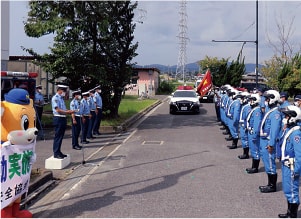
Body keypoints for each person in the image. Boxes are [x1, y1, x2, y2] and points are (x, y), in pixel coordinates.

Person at [277, 105, 301, 218]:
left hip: (292, 166)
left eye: (286, 115)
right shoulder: (289, 129)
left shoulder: (296, 134)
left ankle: (293, 214)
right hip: (286, 165)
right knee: (287, 189)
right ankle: (289, 212)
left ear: (293, 117)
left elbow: (299, 154)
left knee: (292, 191)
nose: (284, 117)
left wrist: (296, 170)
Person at [259, 90, 282, 193]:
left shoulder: (275, 113)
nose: (266, 101)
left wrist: (271, 144)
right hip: (264, 140)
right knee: (267, 163)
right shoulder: (271, 110)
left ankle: (272, 186)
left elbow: (274, 130)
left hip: (269, 141)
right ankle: (269, 184)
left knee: (270, 164)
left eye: (268, 99)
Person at [51, 85, 75, 159]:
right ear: (60, 90)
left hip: (62, 118)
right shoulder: (55, 98)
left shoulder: (61, 98)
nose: (65, 92)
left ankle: (59, 151)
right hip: (58, 118)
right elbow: (58, 110)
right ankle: (56, 152)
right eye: (64, 91)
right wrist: (67, 112)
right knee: (58, 136)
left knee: (61, 136)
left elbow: (63, 109)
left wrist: (68, 111)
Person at [245, 93, 263, 173]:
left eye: (252, 99)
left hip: (253, 132)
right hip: (250, 132)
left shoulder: (257, 111)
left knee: (255, 150)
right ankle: (253, 166)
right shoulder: (254, 109)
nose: (251, 101)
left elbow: (256, 124)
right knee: (253, 150)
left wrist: (255, 135)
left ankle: (255, 168)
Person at [238, 92, 251, 159]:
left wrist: (245, 126)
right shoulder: (244, 106)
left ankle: (246, 154)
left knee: (245, 139)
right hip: (243, 125)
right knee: (244, 139)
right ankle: (245, 153)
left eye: (242, 98)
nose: (241, 99)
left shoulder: (247, 107)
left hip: (245, 126)